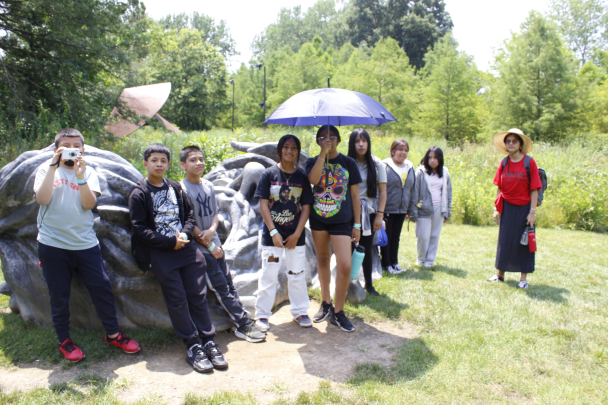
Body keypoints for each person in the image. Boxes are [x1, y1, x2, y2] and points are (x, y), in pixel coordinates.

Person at [34, 128, 140, 362]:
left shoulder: (89, 172)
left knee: (101, 287)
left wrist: (80, 176)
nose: (71, 150)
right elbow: (42, 199)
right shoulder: (45, 169)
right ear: (55, 149)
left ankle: (113, 334)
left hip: (85, 243)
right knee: (59, 294)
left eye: (76, 146)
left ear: (83, 149)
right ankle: (64, 341)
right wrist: (53, 166)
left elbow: (88, 204)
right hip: (52, 244)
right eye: (65, 146)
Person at [128, 143, 226, 373]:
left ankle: (209, 341)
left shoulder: (175, 188)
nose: (159, 164)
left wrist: (183, 233)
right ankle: (193, 346)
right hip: (162, 254)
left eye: (163, 160)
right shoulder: (139, 193)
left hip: (187, 251)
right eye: (154, 160)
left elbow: (189, 215)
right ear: (145, 164)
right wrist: (169, 242)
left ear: (169, 164)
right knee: (178, 300)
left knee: (198, 296)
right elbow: (139, 228)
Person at [179, 145, 266, 343]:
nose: (199, 163)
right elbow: (187, 221)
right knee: (220, 287)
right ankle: (242, 324)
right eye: (193, 160)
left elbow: (215, 214)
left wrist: (212, 231)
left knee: (229, 284)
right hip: (202, 249)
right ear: (183, 165)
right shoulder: (181, 189)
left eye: (201, 159)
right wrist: (209, 245)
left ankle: (242, 319)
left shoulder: (208, 186)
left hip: (215, 244)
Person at [253, 135, 314, 331]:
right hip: (272, 237)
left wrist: (297, 233)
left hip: (295, 236)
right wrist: (273, 232)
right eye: (286, 147)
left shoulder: (302, 177)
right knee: (269, 275)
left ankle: (300, 312)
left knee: (297, 274)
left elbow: (306, 207)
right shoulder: (269, 174)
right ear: (279, 150)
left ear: (298, 151)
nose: (290, 151)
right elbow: (263, 204)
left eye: (294, 148)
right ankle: (262, 315)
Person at [306, 125, 362, 332]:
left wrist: (357, 225)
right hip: (319, 218)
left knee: (345, 265)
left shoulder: (349, 163)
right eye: (322, 138)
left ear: (339, 140)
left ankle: (339, 312)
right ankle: (326, 303)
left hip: (342, 220)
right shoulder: (312, 161)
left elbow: (356, 196)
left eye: (331, 137)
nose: (327, 140)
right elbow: (313, 180)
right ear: (318, 141)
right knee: (322, 260)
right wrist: (323, 153)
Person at [489, 129, 542, 289]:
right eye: (508, 141)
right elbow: (500, 187)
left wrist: (532, 213)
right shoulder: (504, 163)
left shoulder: (529, 162)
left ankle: (523, 280)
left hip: (525, 208)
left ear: (520, 144)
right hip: (507, 207)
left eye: (514, 141)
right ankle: (500, 275)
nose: (510, 144)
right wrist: (497, 208)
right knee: (504, 241)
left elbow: (534, 189)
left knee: (524, 243)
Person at [347, 128, 387, 296]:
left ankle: (368, 284)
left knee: (366, 248)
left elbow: (383, 191)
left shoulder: (376, 163)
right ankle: (348, 282)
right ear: (352, 144)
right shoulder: (346, 162)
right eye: (357, 141)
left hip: (368, 213)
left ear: (369, 143)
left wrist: (379, 215)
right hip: (348, 212)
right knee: (347, 248)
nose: (361, 144)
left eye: (364, 140)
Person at [411, 146, 452, 268]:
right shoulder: (420, 172)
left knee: (434, 236)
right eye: (430, 157)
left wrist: (447, 212)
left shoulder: (445, 172)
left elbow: (448, 193)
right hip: (423, 208)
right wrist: (413, 211)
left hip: (439, 208)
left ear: (440, 159)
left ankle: (429, 261)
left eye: (435, 158)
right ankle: (421, 259)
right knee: (423, 236)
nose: (432, 160)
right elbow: (415, 192)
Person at [382, 139, 416, 274]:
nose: (403, 153)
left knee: (396, 236)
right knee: (387, 236)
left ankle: (394, 262)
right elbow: (381, 189)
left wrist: (410, 208)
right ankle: (386, 264)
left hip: (402, 208)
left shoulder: (410, 167)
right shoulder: (385, 166)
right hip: (388, 208)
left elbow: (413, 189)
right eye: (400, 149)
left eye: (406, 150)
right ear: (393, 151)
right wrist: (380, 210)